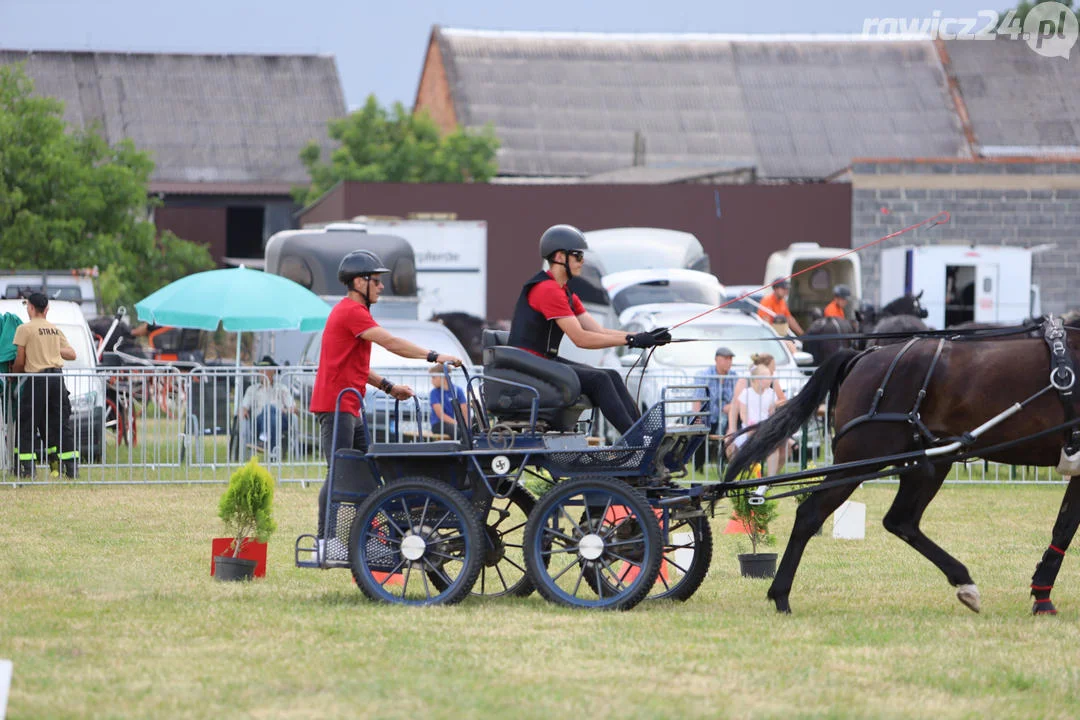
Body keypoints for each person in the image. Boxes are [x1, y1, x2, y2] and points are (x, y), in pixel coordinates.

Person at [311, 250, 464, 549]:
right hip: (336, 405)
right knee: (340, 472)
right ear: (359, 282)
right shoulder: (351, 312)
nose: (382, 286)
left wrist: (388, 386)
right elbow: (391, 342)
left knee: (366, 475)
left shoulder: (356, 313)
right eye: (376, 281)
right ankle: (325, 540)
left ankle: (371, 538)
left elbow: (354, 365)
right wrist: (433, 355)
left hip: (350, 405)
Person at [508, 224, 671, 435]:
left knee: (611, 374)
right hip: (528, 366)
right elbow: (581, 339)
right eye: (577, 256)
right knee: (600, 380)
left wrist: (641, 337)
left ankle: (645, 436)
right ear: (559, 256)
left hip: (543, 362)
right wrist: (631, 341)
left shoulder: (564, 292)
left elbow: (598, 331)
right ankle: (638, 441)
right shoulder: (547, 290)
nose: (582, 262)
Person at [12, 292, 78, 478]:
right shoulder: (54, 329)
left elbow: (20, 359)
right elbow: (72, 354)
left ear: (31, 308)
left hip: (37, 380)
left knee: (27, 424)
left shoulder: (24, 329)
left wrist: (14, 375)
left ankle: (27, 470)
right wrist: (50, 348)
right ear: (46, 309)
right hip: (57, 380)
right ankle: (72, 469)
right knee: (61, 424)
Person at [726, 363, 781, 475]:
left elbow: (771, 414)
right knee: (729, 444)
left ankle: (770, 478)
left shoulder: (771, 394)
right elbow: (743, 414)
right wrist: (751, 427)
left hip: (765, 429)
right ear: (757, 379)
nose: (770, 379)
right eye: (766, 377)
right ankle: (737, 472)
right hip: (748, 429)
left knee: (774, 448)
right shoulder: (746, 393)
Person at [691, 346, 738, 471]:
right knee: (699, 431)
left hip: (727, 417)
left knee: (733, 429)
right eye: (726, 358)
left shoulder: (735, 377)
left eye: (730, 359)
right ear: (717, 359)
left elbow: (737, 399)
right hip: (707, 416)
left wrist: (732, 407)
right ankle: (698, 467)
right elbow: (697, 399)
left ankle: (726, 464)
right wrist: (697, 418)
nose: (729, 362)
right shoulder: (705, 375)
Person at [240, 356, 297, 458]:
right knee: (268, 410)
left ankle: (263, 439)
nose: (263, 373)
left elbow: (293, 408)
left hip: (281, 419)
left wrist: (286, 410)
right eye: (261, 370)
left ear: (274, 372)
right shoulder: (252, 389)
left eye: (266, 370)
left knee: (270, 409)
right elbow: (244, 406)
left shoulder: (282, 388)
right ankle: (273, 454)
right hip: (258, 422)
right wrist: (243, 411)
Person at [428, 364, 468, 438]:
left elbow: (464, 410)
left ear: (444, 377)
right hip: (439, 424)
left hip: (456, 424)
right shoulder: (434, 393)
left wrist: (466, 425)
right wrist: (457, 423)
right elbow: (441, 415)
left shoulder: (458, 390)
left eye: (434, 377)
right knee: (457, 431)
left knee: (470, 429)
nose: (432, 381)